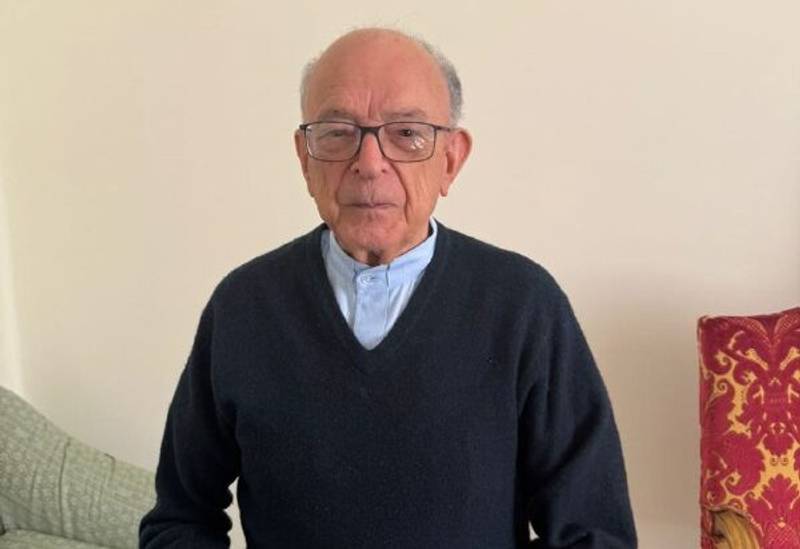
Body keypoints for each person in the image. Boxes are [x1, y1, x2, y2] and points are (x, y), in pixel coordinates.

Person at [139, 28, 637, 548]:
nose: (370, 163)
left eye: (407, 134)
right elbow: (179, 518)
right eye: (337, 133)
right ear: (305, 158)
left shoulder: (523, 307)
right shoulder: (243, 308)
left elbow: (594, 534)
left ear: (451, 159)